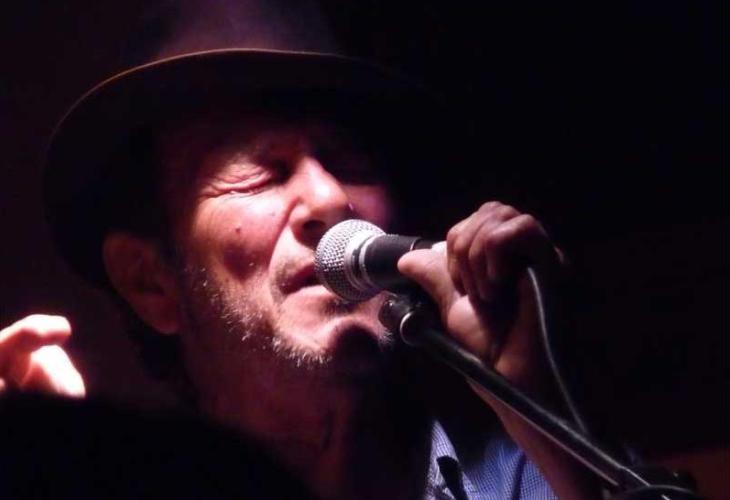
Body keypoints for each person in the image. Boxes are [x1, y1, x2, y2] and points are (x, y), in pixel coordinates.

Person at [0, 45, 599, 499]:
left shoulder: (528, 477)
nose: (331, 198)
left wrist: (545, 413)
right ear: (149, 282)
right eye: (261, 175)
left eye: (349, 163)